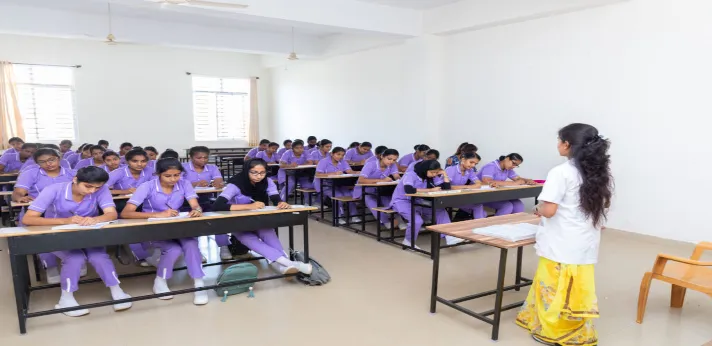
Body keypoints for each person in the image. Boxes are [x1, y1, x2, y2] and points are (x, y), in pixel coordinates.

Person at [516, 123, 611, 346]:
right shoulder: (598, 172)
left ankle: (555, 331)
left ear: (567, 144)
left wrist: (537, 208)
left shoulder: (561, 172)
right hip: (584, 241)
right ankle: (576, 327)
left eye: (559, 140)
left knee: (554, 287)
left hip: (561, 242)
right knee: (575, 288)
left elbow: (548, 210)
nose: (558, 144)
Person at [22, 166, 133, 316]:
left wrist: (95, 219)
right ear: (75, 180)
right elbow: (28, 219)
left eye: (97, 187)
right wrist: (65, 221)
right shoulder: (54, 189)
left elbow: (111, 214)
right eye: (88, 186)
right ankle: (65, 299)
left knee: (98, 256)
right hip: (56, 234)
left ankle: (117, 290)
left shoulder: (101, 189)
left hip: (87, 234)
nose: (92, 191)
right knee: (74, 257)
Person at [120, 158, 208, 305]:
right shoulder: (147, 186)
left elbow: (195, 205)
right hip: (153, 228)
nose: (173, 179)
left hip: (177, 227)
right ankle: (160, 281)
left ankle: (199, 284)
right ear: (158, 174)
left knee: (191, 244)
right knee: (173, 249)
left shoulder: (184, 183)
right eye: (168, 176)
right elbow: (126, 213)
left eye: (177, 175)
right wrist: (157, 215)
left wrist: (197, 210)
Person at [213, 159, 313, 275]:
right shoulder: (235, 184)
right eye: (254, 172)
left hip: (258, 219)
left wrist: (281, 203)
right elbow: (217, 205)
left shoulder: (267, 181)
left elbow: (275, 197)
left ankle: (283, 265)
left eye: (262, 173)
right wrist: (249, 206)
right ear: (246, 171)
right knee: (248, 238)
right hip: (236, 221)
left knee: (269, 234)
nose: (258, 176)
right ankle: (291, 264)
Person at [13, 148, 76, 284]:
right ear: (37, 163)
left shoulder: (71, 173)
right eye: (42, 162)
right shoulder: (30, 173)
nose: (48, 164)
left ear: (59, 158)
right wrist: (20, 198)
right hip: (38, 211)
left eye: (51, 159)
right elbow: (18, 192)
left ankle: (76, 259)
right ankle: (50, 266)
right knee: (42, 237)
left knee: (75, 232)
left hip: (66, 210)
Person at [390, 160, 461, 248]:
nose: (434, 174)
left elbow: (446, 187)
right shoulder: (411, 175)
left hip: (417, 201)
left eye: (436, 172)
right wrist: (430, 190)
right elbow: (409, 190)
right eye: (432, 172)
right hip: (402, 201)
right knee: (417, 220)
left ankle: (449, 237)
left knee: (440, 211)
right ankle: (408, 241)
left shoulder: (431, 176)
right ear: (425, 169)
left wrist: (444, 174)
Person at [183, 146, 229, 259]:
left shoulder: (212, 167)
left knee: (219, 220)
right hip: (185, 203)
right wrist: (195, 184)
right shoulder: (183, 168)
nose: (203, 160)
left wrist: (218, 183)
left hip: (206, 200)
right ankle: (196, 251)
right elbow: (177, 184)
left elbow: (218, 179)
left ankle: (224, 246)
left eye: (205, 157)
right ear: (191, 157)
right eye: (199, 158)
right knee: (192, 224)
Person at [354, 148, 401, 228]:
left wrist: (399, 180)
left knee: (390, 201)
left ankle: (400, 221)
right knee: (371, 201)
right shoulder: (371, 164)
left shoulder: (392, 165)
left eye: (394, 160)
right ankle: (385, 222)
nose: (391, 162)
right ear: (382, 156)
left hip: (382, 190)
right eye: (389, 159)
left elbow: (396, 176)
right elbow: (361, 180)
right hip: (365, 190)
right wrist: (382, 180)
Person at [315, 147, 358, 224]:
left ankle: (354, 216)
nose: (340, 157)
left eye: (342, 155)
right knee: (338, 196)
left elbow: (349, 171)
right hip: (325, 185)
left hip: (339, 183)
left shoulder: (343, 161)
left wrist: (359, 172)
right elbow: (318, 174)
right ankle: (338, 217)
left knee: (350, 195)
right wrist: (333, 173)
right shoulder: (323, 161)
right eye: (338, 154)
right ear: (332, 154)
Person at [445, 152, 485, 219]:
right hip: (448, 197)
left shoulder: (470, 170)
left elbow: (478, 183)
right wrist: (468, 187)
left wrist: (463, 187)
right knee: (479, 209)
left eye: (475, 164)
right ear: (463, 160)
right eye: (471, 162)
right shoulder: (450, 170)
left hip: (461, 197)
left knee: (480, 208)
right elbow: (447, 187)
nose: (473, 165)